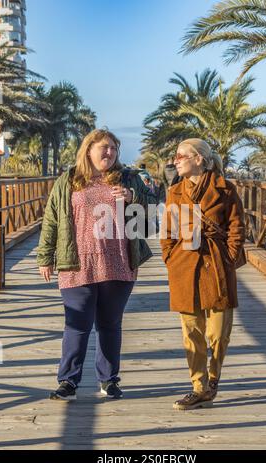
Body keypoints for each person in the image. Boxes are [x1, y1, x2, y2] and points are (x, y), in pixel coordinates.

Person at [37, 128, 156, 401]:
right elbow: (51, 218)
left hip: (119, 262)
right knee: (77, 324)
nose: (109, 152)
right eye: (103, 147)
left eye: (113, 148)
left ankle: (109, 380)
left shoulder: (129, 178)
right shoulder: (68, 180)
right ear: (88, 149)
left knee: (110, 324)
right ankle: (68, 381)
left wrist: (132, 197)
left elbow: (153, 207)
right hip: (77, 263)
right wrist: (45, 256)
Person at [160, 138, 245, 410]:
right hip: (184, 266)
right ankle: (198, 386)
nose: (176, 160)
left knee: (218, 333)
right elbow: (167, 233)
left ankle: (213, 378)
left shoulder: (226, 189)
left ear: (199, 159)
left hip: (217, 265)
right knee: (191, 331)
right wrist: (170, 258)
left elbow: (237, 229)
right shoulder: (175, 192)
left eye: (180, 155)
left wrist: (229, 258)